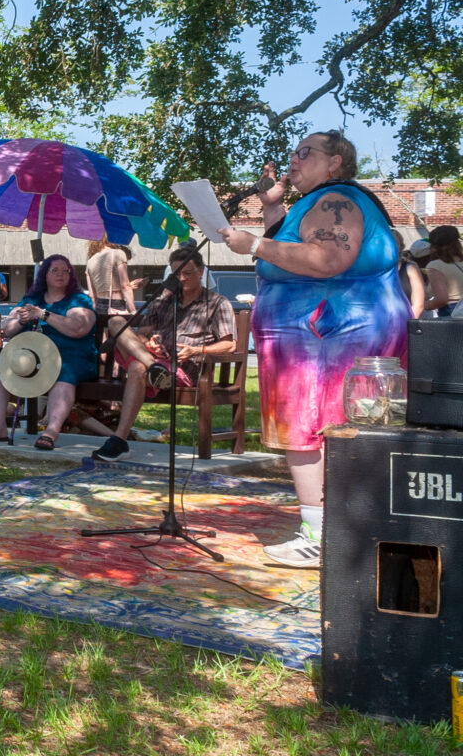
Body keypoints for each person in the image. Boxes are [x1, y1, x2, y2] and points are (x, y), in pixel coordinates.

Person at [219, 135, 409, 567]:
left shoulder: (335, 199)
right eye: (293, 153)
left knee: (316, 428)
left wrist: (253, 245)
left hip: (329, 338)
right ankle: (341, 528)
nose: (294, 159)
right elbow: (294, 250)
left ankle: (322, 535)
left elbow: (325, 260)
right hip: (323, 337)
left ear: (335, 162)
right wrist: (273, 207)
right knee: (328, 430)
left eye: (306, 152)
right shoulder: (319, 202)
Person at [90, 246, 237, 461]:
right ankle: (153, 366)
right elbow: (141, 336)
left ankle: (119, 439)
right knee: (116, 321)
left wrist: (197, 350)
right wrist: (148, 344)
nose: (182, 278)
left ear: (201, 271)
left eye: (188, 272)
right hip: (156, 361)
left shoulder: (217, 303)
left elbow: (230, 345)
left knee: (138, 367)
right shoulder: (162, 301)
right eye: (177, 273)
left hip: (185, 368)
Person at [0, 255, 99, 451]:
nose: (61, 274)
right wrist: (23, 320)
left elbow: (78, 328)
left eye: (66, 271)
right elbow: (8, 327)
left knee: (63, 372)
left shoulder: (78, 299)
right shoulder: (31, 299)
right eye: (55, 270)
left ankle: (52, 431)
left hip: (73, 357)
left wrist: (43, 314)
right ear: (44, 275)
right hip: (34, 357)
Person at [85, 240, 136, 318]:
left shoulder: (90, 261)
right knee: (120, 329)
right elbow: (125, 286)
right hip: (116, 305)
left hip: (99, 307)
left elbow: (92, 295)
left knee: (104, 330)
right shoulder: (118, 253)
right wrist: (133, 310)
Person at [422, 224, 463, 316]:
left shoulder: (435, 265)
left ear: (433, 246)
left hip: (452, 312)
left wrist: (421, 306)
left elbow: (441, 299)